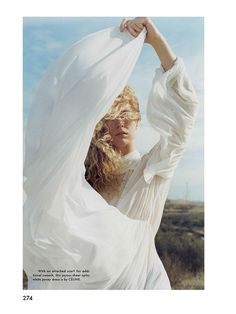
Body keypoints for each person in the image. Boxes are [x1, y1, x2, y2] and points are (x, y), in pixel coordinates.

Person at [23, 17, 199, 290]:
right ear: (101, 125)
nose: (120, 123)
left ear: (138, 119)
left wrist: (156, 42)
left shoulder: (152, 169)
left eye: (126, 114)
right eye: (111, 117)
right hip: (88, 285)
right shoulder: (85, 176)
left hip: (138, 281)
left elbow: (183, 118)